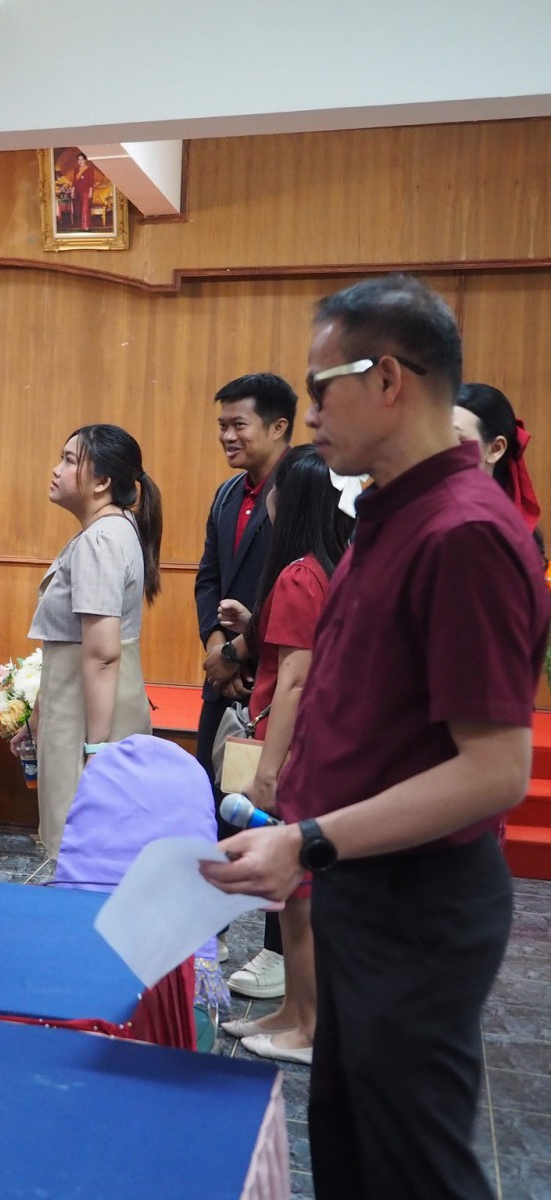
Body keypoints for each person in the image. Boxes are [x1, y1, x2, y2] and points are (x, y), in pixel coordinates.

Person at [202, 275, 550, 1198]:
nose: (309, 413)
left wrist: (308, 841)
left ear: (389, 379)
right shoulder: (386, 515)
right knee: (354, 1152)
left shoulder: (463, 531)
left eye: (321, 388)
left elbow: (494, 771)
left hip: (416, 903)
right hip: (362, 884)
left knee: (413, 1168)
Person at [213, 445, 355, 1067]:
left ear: (290, 499)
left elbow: (293, 682)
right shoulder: (326, 566)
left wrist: (269, 771)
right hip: (312, 746)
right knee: (294, 897)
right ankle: (294, 1012)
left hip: (291, 751)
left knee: (299, 899)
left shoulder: (298, 574)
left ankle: (310, 1025)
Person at [192, 372, 295, 994]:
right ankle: (217, 928)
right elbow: (209, 576)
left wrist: (241, 652)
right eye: (221, 425)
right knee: (218, 806)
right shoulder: (228, 493)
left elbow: (302, 583)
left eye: (239, 425)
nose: (227, 436)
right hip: (225, 680)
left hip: (279, 677)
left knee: (276, 810)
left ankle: (281, 951)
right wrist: (215, 647)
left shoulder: (306, 490)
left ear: (279, 427)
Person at [18, 425, 162, 857]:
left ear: (102, 482)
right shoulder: (114, 529)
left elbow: (101, 655)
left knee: (81, 849)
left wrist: (96, 749)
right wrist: (36, 719)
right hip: (81, 705)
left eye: (69, 460)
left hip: (89, 716)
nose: (56, 470)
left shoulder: (101, 539)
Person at [454, 382, 544, 554]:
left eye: (458, 440)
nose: (443, 451)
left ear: (495, 449)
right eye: (439, 439)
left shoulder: (499, 536)